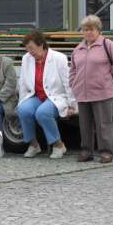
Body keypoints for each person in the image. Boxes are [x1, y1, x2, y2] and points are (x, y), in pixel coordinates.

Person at [70, 15, 113, 163]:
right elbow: (73, 69)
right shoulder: (78, 49)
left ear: (98, 30)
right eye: (85, 30)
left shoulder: (107, 45)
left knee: (104, 124)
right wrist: (74, 83)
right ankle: (86, 151)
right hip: (82, 93)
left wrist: (111, 73)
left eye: (91, 29)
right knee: (84, 125)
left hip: (102, 92)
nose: (88, 32)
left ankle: (106, 152)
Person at [17, 30, 77, 159]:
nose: (30, 52)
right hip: (36, 96)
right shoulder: (26, 58)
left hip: (55, 96)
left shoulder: (58, 58)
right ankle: (33, 145)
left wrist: (72, 104)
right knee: (23, 110)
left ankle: (58, 145)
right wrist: (21, 102)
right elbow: (22, 83)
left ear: (41, 45)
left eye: (32, 48)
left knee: (42, 113)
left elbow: (68, 82)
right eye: (27, 49)